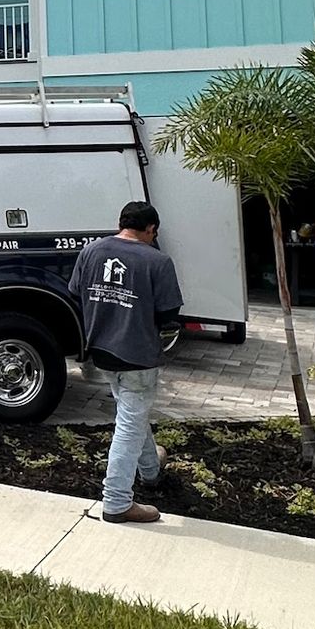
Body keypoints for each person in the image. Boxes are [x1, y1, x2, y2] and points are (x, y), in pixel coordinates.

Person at [72, 200, 184, 525]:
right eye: (154, 233)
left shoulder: (91, 251)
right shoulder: (158, 261)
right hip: (137, 355)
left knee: (132, 413)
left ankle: (150, 471)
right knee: (128, 424)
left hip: (102, 351)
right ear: (151, 229)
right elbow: (168, 315)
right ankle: (117, 501)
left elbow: (77, 292)